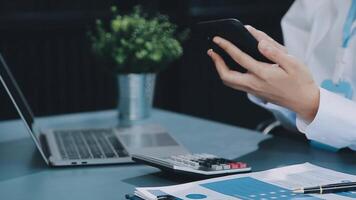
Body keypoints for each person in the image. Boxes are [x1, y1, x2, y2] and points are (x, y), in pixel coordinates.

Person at [207, 0, 356, 151]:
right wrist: (274, 85)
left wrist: (312, 104)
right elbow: (297, 120)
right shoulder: (312, 4)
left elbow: (307, 101)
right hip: (315, 158)